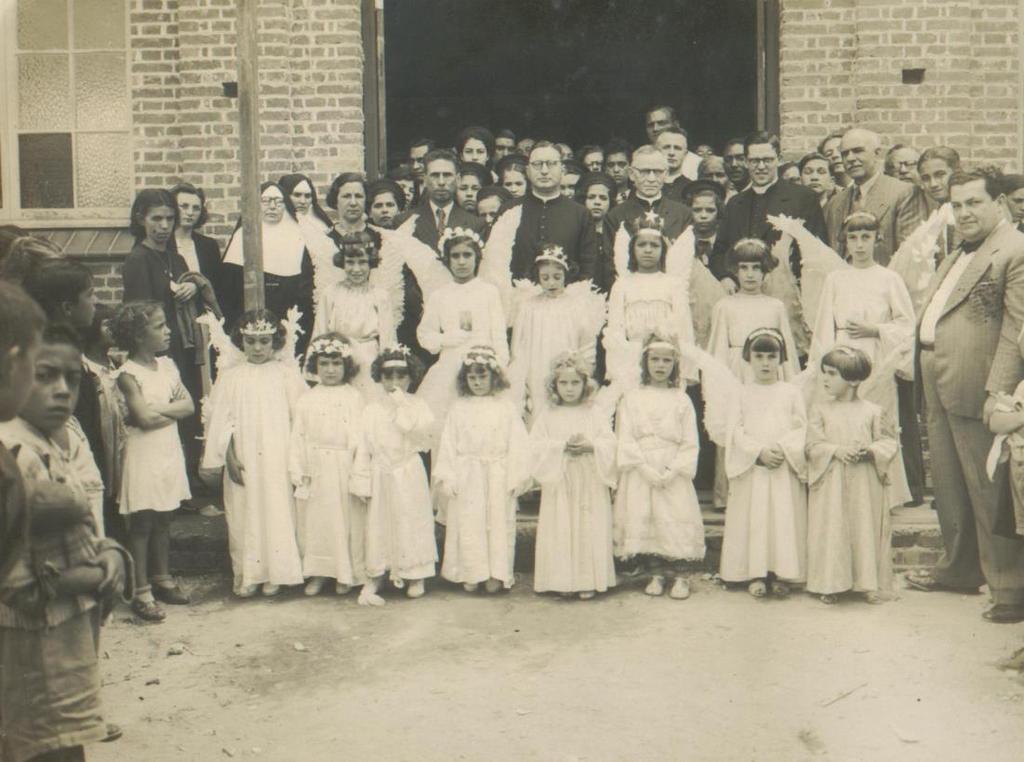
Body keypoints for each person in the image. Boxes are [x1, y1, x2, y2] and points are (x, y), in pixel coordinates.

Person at [0, 314, 132, 762]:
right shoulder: (14, 455)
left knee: (66, 739)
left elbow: (83, 526)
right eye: (44, 376)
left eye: (72, 380)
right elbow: (16, 585)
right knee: (39, 744)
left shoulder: (57, 441)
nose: (61, 390)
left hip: (66, 631)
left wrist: (109, 553)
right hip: (30, 639)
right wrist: (97, 575)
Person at [907, 170, 1024, 623]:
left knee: (988, 486)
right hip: (939, 376)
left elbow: (1016, 330)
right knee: (951, 485)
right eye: (957, 205)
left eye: (974, 202)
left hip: (979, 384)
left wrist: (998, 391)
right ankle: (959, 568)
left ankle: (1011, 590)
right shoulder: (958, 250)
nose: (964, 213)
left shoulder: (1013, 249)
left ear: (1000, 203)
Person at [810, 211, 916, 506]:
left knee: (876, 419)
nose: (859, 245)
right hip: (843, 353)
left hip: (876, 357)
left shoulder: (889, 279)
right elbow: (823, 325)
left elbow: (907, 326)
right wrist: (827, 364)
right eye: (853, 238)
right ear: (845, 241)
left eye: (866, 237)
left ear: (876, 239)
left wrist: (876, 329)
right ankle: (841, 487)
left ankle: (885, 491)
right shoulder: (836, 278)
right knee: (842, 416)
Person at [200, 309, 307, 598]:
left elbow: (301, 421)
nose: (257, 348)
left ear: (275, 342)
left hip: (277, 452)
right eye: (250, 342)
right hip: (245, 453)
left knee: (276, 507)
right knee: (244, 510)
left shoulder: (286, 376)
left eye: (264, 341)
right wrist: (228, 455)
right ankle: (249, 573)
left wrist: (298, 460)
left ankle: (276, 572)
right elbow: (221, 420)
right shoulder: (232, 377)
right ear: (241, 342)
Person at [114, 301, 193, 621]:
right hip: (142, 452)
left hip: (166, 449)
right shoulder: (127, 374)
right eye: (159, 326)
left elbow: (189, 406)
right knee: (143, 520)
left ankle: (162, 578)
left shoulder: (169, 366)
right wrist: (163, 414)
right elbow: (143, 419)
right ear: (137, 335)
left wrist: (153, 415)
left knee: (164, 516)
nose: (168, 330)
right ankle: (140, 588)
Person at [433, 345, 531, 593]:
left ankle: (496, 573)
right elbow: (448, 444)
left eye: (482, 377)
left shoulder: (506, 407)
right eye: (472, 377)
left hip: (497, 471)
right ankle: (471, 572)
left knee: (497, 522)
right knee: (469, 521)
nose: (477, 382)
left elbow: (517, 443)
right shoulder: (458, 407)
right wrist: (448, 475)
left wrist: (516, 476)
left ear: (494, 377)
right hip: (467, 472)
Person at [718, 329, 808, 598]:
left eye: (772, 356)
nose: (766, 363)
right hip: (754, 468)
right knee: (755, 521)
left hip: (782, 465)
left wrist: (781, 448)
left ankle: (783, 572)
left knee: (782, 519)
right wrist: (758, 452)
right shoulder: (742, 393)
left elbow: (802, 427)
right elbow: (736, 430)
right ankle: (755, 572)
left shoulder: (791, 393)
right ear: (748, 358)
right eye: (759, 356)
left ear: (781, 359)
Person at [806, 346, 899, 604]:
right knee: (834, 527)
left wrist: (869, 452)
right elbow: (812, 446)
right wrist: (835, 450)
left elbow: (889, 443)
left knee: (863, 526)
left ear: (854, 380)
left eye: (832, 374)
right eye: (824, 373)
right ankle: (831, 583)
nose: (825, 379)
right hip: (832, 480)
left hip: (864, 482)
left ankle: (867, 582)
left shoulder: (873, 411)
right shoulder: (820, 410)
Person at [614, 334, 704, 600]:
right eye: (655, 359)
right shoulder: (631, 398)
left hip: (671, 467)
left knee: (674, 517)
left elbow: (690, 442)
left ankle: (680, 575)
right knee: (647, 517)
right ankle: (655, 572)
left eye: (667, 360)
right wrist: (643, 468)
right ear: (645, 363)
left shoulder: (681, 400)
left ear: (675, 365)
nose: (660, 366)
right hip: (643, 466)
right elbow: (626, 437)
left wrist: (672, 470)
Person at [351, 346, 437, 602]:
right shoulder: (372, 409)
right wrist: (362, 480)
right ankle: (378, 574)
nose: (394, 383)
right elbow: (364, 446)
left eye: (401, 376)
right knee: (379, 522)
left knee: (410, 520)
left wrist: (402, 406)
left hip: (407, 470)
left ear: (411, 378)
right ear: (379, 378)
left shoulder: (418, 406)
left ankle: (415, 573)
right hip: (381, 472)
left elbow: (419, 434)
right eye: (388, 377)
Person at [530, 352, 617, 599]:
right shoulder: (548, 415)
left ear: (585, 384)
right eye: (564, 383)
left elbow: (610, 443)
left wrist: (592, 446)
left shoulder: (594, 413)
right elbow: (535, 446)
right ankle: (561, 580)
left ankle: (587, 579)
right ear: (554, 385)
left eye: (575, 383)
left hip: (588, 479)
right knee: (561, 526)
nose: (569, 389)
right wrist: (559, 447)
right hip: (561, 480)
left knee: (587, 526)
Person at [289, 333, 368, 599]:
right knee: (317, 522)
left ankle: (345, 573)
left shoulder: (354, 397)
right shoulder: (307, 399)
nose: (331, 370)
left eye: (336, 363)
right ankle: (319, 572)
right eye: (324, 364)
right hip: (316, 467)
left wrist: (357, 471)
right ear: (315, 366)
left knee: (344, 521)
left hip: (343, 465)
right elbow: (298, 436)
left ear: (347, 365)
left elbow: (360, 438)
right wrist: (299, 470)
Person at [416, 229, 507, 448]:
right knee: (447, 431)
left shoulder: (489, 292)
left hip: (483, 368)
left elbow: (499, 335)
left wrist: (500, 367)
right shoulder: (440, 295)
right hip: (450, 368)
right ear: (447, 260)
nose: (462, 262)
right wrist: (445, 338)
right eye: (455, 256)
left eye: (467, 255)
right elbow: (424, 334)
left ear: (477, 258)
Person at [394, 150, 487, 364]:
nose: (442, 181)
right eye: (435, 175)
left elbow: (476, 276)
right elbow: (400, 275)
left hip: (458, 325)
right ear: (425, 179)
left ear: (457, 179)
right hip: (415, 321)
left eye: (447, 175)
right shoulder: (405, 222)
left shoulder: (475, 224)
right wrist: (426, 307)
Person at [510, 244, 603, 423]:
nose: (551, 282)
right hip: (535, 369)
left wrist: (583, 369)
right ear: (538, 277)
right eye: (545, 277)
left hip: (567, 371)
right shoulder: (528, 307)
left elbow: (587, 344)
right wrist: (520, 379)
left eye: (557, 277)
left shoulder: (577, 306)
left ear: (566, 276)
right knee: (538, 412)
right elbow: (518, 347)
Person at [718, 131, 828, 279]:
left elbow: (817, 251)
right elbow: (720, 251)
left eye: (768, 160)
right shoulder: (735, 204)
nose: (761, 166)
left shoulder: (803, 198)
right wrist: (725, 278)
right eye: (754, 161)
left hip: (787, 291)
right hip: (741, 291)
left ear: (779, 159)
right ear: (745, 162)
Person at [221, 181, 314, 354]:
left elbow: (305, 289)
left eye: (278, 202)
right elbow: (228, 289)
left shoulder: (297, 238)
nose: (272, 207)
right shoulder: (242, 236)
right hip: (247, 322)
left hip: (286, 320)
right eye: (266, 201)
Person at [603, 214, 697, 384]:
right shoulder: (622, 284)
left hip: (664, 361)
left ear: (663, 251)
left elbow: (684, 328)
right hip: (630, 358)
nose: (648, 250)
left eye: (654, 245)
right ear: (632, 249)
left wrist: (685, 370)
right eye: (641, 245)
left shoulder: (672, 284)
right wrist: (617, 369)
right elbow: (615, 330)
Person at [312, 229, 396, 398]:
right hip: (338, 360)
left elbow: (388, 337)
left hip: (368, 359)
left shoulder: (380, 295)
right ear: (343, 263)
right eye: (350, 262)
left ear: (370, 263)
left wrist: (388, 370)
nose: (356, 269)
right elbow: (320, 332)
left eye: (362, 262)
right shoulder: (331, 292)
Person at [824, 128, 924, 265]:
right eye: (845, 154)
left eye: (858, 151)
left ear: (877, 153)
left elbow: (909, 258)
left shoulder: (905, 193)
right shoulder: (835, 203)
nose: (850, 158)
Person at [509, 142, 597, 282]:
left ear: (562, 170)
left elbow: (589, 266)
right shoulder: (509, 211)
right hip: (516, 299)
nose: (544, 171)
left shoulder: (580, 214)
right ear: (527, 171)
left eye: (551, 164)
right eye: (537, 164)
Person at [604, 145, 693, 244]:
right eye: (644, 172)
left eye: (658, 172)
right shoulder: (615, 216)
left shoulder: (684, 215)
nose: (651, 179)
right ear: (631, 174)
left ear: (666, 174)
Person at [278, 173, 340, 306]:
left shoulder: (321, 224)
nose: (303, 201)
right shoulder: (279, 227)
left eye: (307, 196)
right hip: (292, 293)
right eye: (297, 195)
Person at [683, 179, 732, 287]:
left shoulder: (728, 242)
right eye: (697, 210)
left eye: (710, 210)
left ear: (719, 211)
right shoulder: (683, 242)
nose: (703, 216)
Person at [577, 172, 617, 293]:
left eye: (603, 198)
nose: (597, 202)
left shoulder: (616, 233)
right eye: (591, 197)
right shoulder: (576, 231)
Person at [655, 128, 695, 201]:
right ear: (657, 151)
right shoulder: (645, 186)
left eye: (677, 148)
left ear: (685, 154)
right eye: (666, 147)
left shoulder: (692, 189)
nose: (671, 153)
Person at [604, 139, 633, 203]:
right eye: (611, 165)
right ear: (605, 169)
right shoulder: (600, 199)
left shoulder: (638, 196)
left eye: (621, 164)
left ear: (630, 166)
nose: (616, 170)